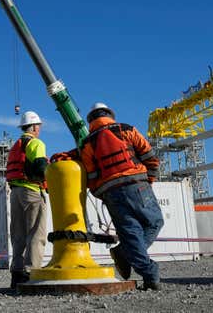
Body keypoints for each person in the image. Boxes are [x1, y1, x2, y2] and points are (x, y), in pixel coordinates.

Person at [51, 102, 164, 290]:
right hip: (138, 186)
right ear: (110, 115)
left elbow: (92, 176)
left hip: (112, 194)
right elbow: (149, 156)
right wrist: (149, 180)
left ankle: (149, 274)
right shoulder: (126, 129)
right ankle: (125, 254)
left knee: (131, 234)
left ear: (90, 121)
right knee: (154, 223)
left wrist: (104, 195)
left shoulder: (87, 144)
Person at [6, 110, 49, 289]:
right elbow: (40, 167)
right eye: (38, 126)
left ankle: (17, 275)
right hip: (31, 190)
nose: (39, 130)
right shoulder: (35, 143)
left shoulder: (16, 145)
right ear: (33, 127)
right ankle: (32, 273)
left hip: (15, 193)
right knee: (36, 232)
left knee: (18, 235)